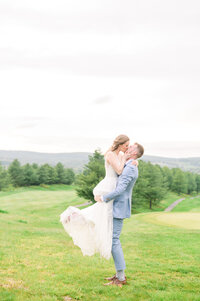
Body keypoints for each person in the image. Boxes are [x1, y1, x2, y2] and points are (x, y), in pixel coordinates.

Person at [60, 135, 137, 259]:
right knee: (99, 214)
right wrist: (125, 158)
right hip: (109, 185)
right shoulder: (111, 154)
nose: (127, 148)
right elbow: (119, 171)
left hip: (114, 186)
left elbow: (126, 166)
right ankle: (73, 217)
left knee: (100, 215)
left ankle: (77, 217)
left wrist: (132, 160)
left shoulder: (121, 155)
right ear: (120, 144)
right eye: (126, 145)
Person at [95, 143, 144, 287]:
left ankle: (121, 277)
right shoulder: (130, 164)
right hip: (115, 206)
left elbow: (121, 189)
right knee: (113, 239)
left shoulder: (130, 168)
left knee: (114, 240)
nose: (128, 148)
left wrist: (103, 198)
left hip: (118, 207)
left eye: (131, 147)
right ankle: (118, 274)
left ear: (134, 152)